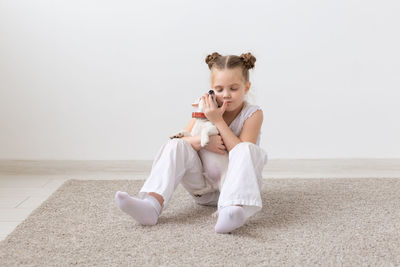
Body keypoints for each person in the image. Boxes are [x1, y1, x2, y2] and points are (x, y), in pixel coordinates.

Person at [115, 52, 268, 234]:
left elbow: (241, 153)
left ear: (246, 87)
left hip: (236, 190)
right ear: (212, 88)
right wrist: (204, 142)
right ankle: (152, 204)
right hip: (203, 190)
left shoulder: (253, 113)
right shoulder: (207, 106)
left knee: (246, 149)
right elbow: (182, 140)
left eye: (234, 88)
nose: (226, 95)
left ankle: (230, 211)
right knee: (176, 145)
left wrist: (217, 121)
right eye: (219, 89)